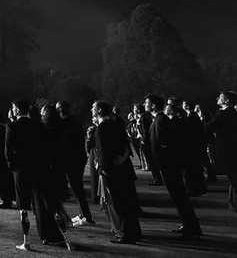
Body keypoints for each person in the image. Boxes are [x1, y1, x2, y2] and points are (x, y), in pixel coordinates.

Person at [6, 100, 68, 251]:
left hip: (22, 170)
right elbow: (46, 146)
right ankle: (52, 236)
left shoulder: (12, 126)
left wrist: (14, 168)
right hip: (39, 168)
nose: (12, 109)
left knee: (23, 207)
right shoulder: (38, 125)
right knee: (43, 204)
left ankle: (26, 241)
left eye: (13, 107)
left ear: (17, 109)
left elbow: (8, 152)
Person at [146, 93, 202, 239]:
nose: (144, 105)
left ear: (152, 105)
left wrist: (167, 161)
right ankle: (189, 224)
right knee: (178, 197)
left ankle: (192, 227)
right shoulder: (159, 119)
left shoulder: (161, 120)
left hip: (169, 165)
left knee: (179, 197)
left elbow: (167, 143)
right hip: (167, 165)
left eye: (147, 103)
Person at [93, 100, 142, 244]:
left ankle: (126, 234)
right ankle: (134, 232)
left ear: (100, 110)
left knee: (120, 203)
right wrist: (124, 157)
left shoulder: (102, 127)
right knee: (128, 201)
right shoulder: (116, 124)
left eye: (93, 108)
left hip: (113, 171)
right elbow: (125, 144)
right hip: (123, 168)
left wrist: (103, 169)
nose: (91, 110)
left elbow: (104, 151)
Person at [56, 100, 94, 226]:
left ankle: (86, 216)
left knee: (77, 188)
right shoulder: (74, 121)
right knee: (77, 187)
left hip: (71, 159)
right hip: (78, 157)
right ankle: (83, 214)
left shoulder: (64, 123)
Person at [206, 91, 237, 212]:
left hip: (226, 149)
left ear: (227, 101)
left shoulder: (223, 113)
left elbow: (209, 127)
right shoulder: (233, 113)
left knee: (234, 177)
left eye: (220, 97)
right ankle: (233, 202)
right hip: (233, 148)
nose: (217, 98)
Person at [0, 111, 16, 208]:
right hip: (6, 158)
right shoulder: (7, 127)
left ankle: (6, 201)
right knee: (8, 179)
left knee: (2, 180)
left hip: (0, 159)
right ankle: (10, 198)